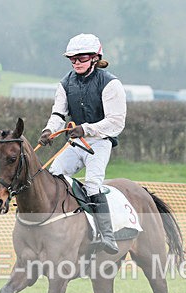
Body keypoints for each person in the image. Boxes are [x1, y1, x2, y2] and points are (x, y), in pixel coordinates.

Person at [38, 33, 126, 254]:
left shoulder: (110, 83)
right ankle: (54, 227)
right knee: (53, 176)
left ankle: (106, 235)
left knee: (93, 184)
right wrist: (49, 130)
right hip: (76, 142)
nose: (76, 62)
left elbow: (116, 122)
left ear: (95, 58)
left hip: (99, 142)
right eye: (72, 59)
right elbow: (58, 114)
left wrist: (86, 129)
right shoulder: (65, 83)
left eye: (82, 58)